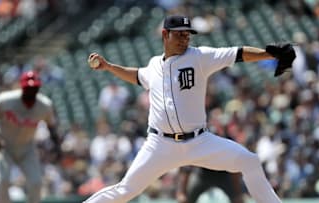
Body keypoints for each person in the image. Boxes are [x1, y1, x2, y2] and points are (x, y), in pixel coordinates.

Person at [84, 15, 288, 203]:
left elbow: (238, 53)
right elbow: (138, 76)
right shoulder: (154, 64)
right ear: (165, 34)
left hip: (199, 141)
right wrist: (109, 66)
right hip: (160, 145)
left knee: (249, 161)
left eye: (187, 34)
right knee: (125, 190)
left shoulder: (199, 57)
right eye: (179, 34)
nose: (185, 38)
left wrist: (269, 54)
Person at [0, 70, 61, 203]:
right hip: (4, 145)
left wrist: (57, 146)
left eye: (34, 88)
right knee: (3, 180)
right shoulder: (6, 99)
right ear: (22, 87)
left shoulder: (44, 105)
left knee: (36, 182)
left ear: (38, 88)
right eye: (28, 88)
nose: (31, 91)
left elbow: (51, 127)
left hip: (27, 147)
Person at [176, 167, 244, 203]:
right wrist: (181, 192)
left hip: (223, 175)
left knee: (237, 199)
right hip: (203, 175)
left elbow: (235, 168)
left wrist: (238, 193)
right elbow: (187, 168)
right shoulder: (199, 142)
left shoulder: (228, 141)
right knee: (185, 200)